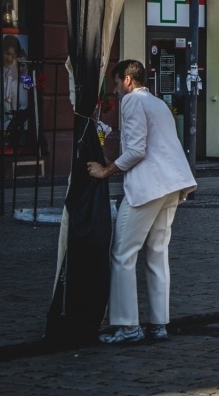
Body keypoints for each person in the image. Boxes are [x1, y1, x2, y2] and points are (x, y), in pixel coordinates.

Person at [87, 60, 196, 344]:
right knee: (157, 253)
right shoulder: (158, 103)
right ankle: (158, 324)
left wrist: (106, 170)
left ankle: (128, 326)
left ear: (127, 81)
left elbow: (136, 150)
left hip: (149, 186)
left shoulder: (132, 101)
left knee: (123, 253)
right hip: (172, 184)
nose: (114, 91)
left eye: (115, 84)